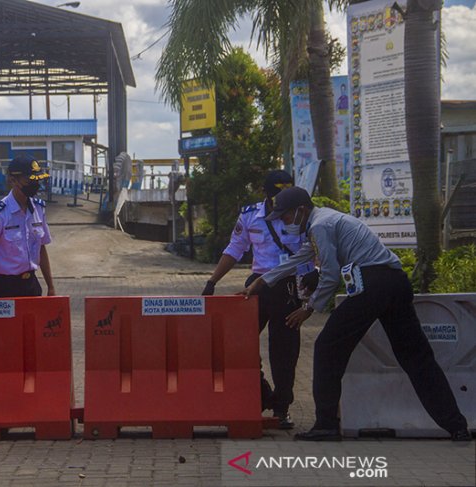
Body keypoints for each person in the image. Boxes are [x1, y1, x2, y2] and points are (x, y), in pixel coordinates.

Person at [242, 187, 471, 441]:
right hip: (395, 282)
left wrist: (308, 308)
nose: (284, 223)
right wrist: (262, 281)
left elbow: (329, 274)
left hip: (371, 285)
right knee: (417, 358)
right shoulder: (324, 221)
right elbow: (299, 258)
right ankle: (457, 426)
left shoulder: (320, 226)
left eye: (285, 217)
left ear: (301, 210)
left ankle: (326, 425)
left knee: (327, 347)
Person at [201, 170, 308, 429]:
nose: (279, 203)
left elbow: (309, 254)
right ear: (265, 193)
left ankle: (281, 408)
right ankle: (262, 394)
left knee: (284, 352)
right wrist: (212, 281)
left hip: (290, 287)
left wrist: (307, 296)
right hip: (258, 286)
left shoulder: (301, 214)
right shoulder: (250, 215)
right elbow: (235, 249)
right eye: (274, 197)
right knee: (239, 343)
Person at [0, 155, 56, 298]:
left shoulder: (38, 209)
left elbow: (41, 248)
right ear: (13, 180)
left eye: (37, 179)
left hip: (31, 285)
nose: (35, 184)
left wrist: (51, 287)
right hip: (5, 287)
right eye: (29, 180)